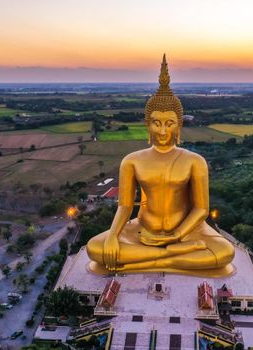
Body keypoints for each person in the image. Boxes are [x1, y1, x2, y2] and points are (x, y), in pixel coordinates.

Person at [86, 55, 234, 277]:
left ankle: (140, 262)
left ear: (179, 125)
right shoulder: (132, 160)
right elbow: (125, 207)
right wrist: (113, 236)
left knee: (224, 253)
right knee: (96, 248)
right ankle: (171, 258)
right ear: (148, 125)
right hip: (142, 231)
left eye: (169, 123)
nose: (163, 131)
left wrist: (177, 235)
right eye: (156, 123)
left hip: (188, 231)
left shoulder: (194, 161)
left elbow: (201, 209)